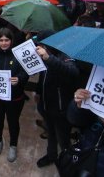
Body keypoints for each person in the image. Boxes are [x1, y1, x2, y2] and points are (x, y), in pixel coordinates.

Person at [33, 30, 80, 168]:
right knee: (51, 133)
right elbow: (43, 76)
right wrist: (37, 92)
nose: (39, 48)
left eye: (42, 45)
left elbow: (73, 72)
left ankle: (67, 162)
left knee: (63, 139)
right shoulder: (43, 55)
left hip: (61, 109)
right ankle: (51, 155)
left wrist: (49, 58)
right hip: (46, 104)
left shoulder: (64, 55)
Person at [0, 28, 29, 162]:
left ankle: (13, 145)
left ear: (11, 41)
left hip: (15, 97)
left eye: (6, 40)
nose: (4, 43)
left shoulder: (18, 55)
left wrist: (19, 79)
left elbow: (25, 72)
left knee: (13, 122)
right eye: (1, 40)